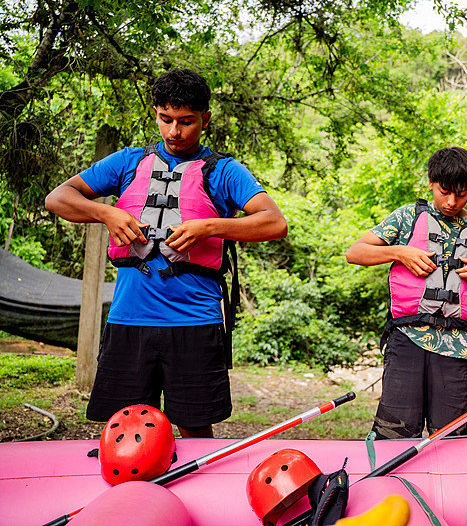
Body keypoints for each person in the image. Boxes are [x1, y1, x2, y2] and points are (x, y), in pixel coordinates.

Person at [45, 68, 288, 437]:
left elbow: (274, 223)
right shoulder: (128, 161)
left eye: (186, 121)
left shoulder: (223, 170)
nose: (175, 132)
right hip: (129, 319)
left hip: (194, 321)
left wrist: (209, 226)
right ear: (155, 113)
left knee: (194, 430)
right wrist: (106, 212)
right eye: (166, 119)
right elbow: (58, 198)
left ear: (205, 118)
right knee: (124, 432)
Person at [346, 146, 467, 439]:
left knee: (449, 440)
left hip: (460, 348)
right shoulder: (406, 218)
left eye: (462, 194)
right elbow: (355, 252)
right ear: (430, 182)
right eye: (445, 192)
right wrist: (400, 252)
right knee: (394, 435)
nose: (452, 202)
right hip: (407, 340)